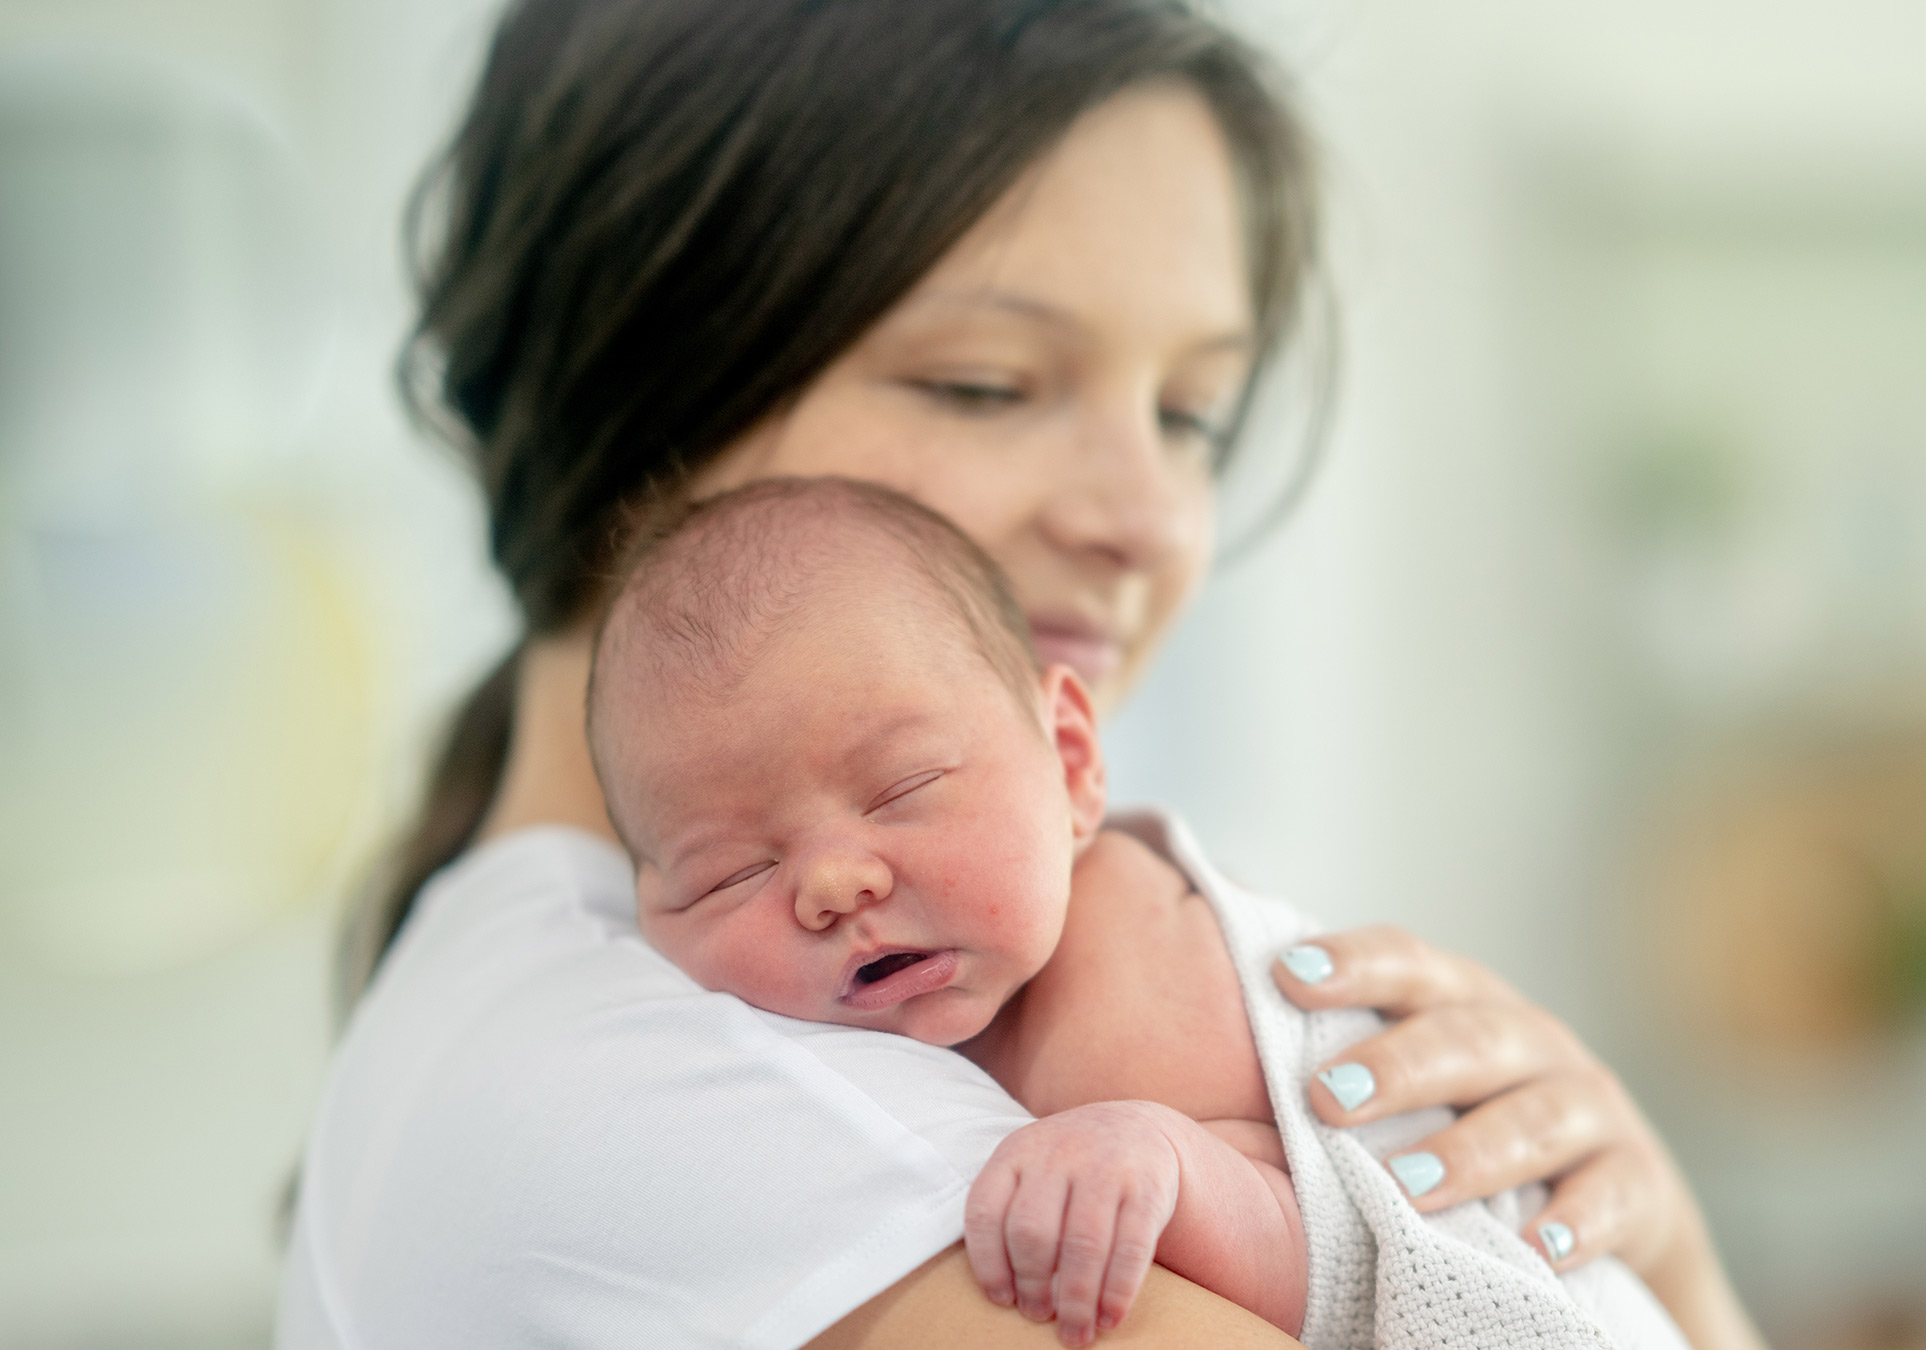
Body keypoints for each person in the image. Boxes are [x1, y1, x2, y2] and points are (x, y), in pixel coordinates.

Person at [282, 2, 1768, 1347]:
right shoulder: (684, 1085)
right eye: (984, 384)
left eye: (1191, 412)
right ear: (632, 376)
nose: (1145, 518)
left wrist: (1648, 1247)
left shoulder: (661, 996)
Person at [587, 476, 1306, 1345]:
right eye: (729, 874)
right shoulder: (650, 1064)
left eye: (902, 788)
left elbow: (1360, 1254)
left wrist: (1174, 1163)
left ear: (1072, 762)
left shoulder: (1138, 979)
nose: (831, 886)